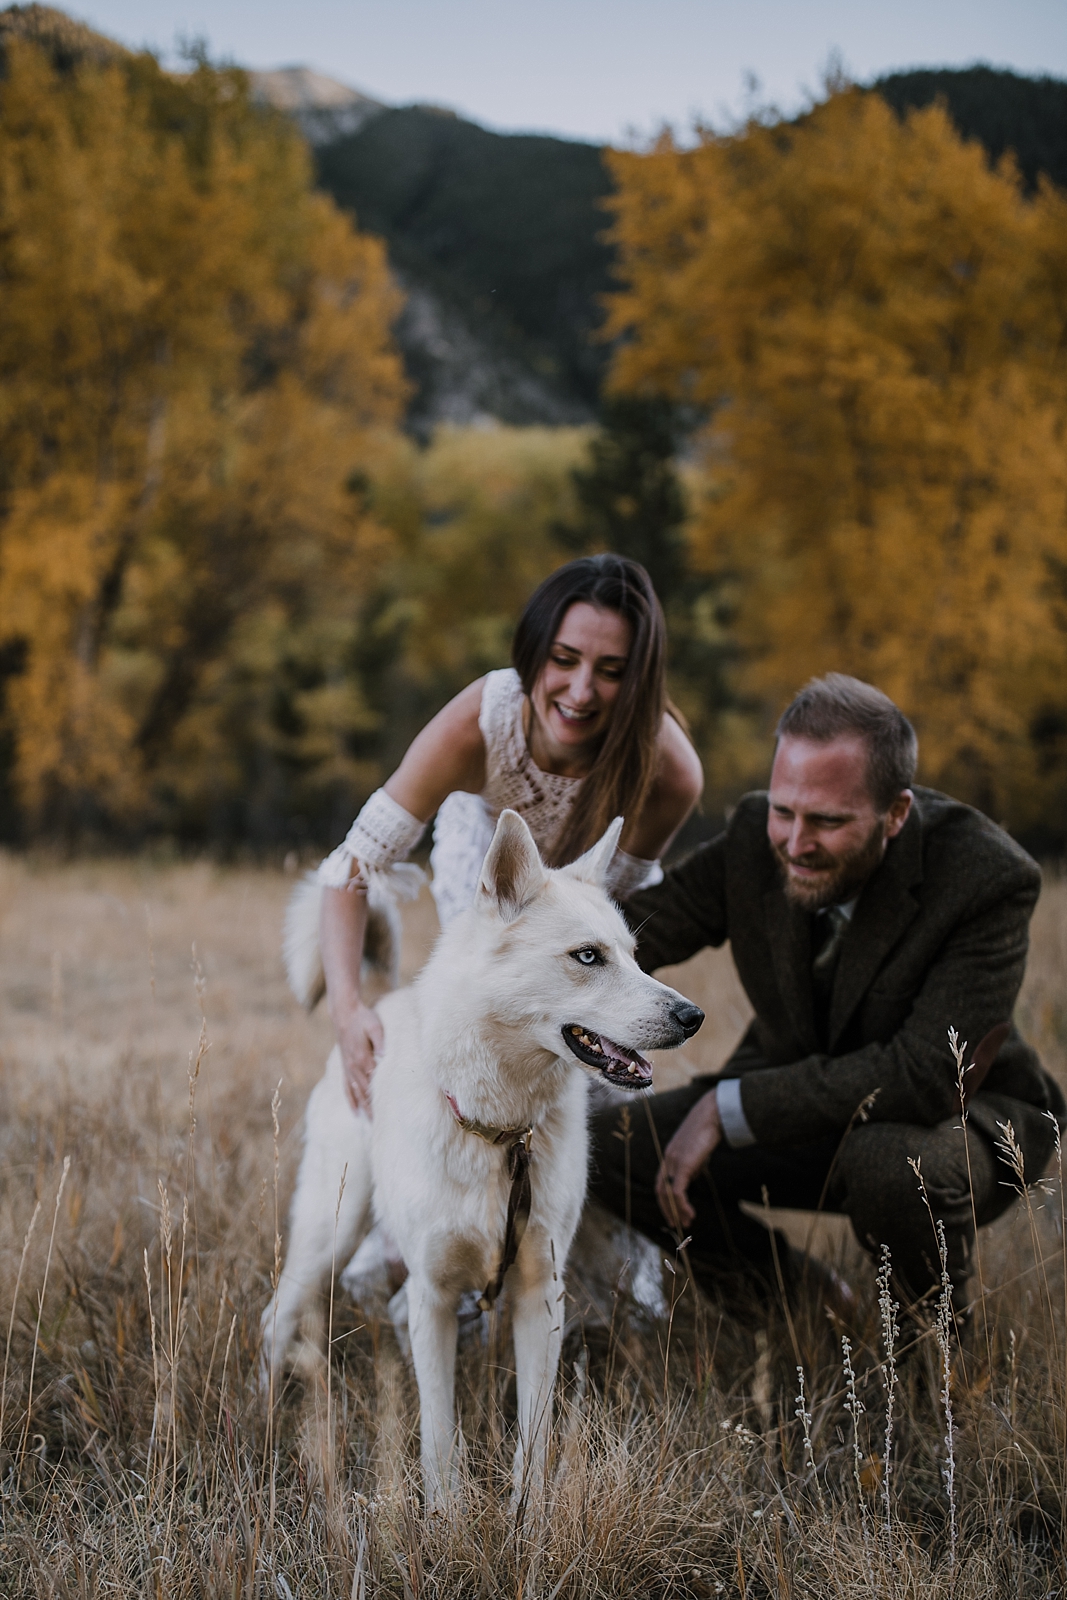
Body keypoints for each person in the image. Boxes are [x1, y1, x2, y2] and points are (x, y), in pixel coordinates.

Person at [590, 673, 1066, 1314]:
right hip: (807, 1108)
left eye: (827, 821)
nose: (794, 841)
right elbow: (637, 926)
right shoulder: (757, 838)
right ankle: (805, 1312)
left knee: (889, 1166)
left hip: (961, 1121)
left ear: (897, 813)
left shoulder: (987, 877)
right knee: (609, 1145)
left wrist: (726, 1107)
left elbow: (925, 1076)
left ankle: (937, 1374)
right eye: (784, 811)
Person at [316, 554, 704, 1113]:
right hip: (488, 864)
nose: (581, 691)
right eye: (563, 659)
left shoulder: (671, 771)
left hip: (588, 888)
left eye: (612, 671)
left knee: (590, 1096)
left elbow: (611, 913)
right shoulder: (477, 724)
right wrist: (349, 1013)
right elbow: (350, 869)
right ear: (531, 653)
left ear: (641, 680)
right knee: (482, 1033)